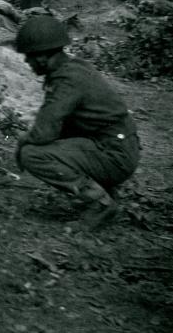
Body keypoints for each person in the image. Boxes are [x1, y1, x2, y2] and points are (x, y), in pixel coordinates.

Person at [14, 16, 140, 229]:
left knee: (32, 154)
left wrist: (21, 142)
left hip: (114, 154)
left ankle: (99, 203)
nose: (27, 62)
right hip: (119, 146)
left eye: (30, 56)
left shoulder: (66, 81)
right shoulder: (75, 69)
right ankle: (107, 195)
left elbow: (44, 133)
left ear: (43, 56)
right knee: (59, 142)